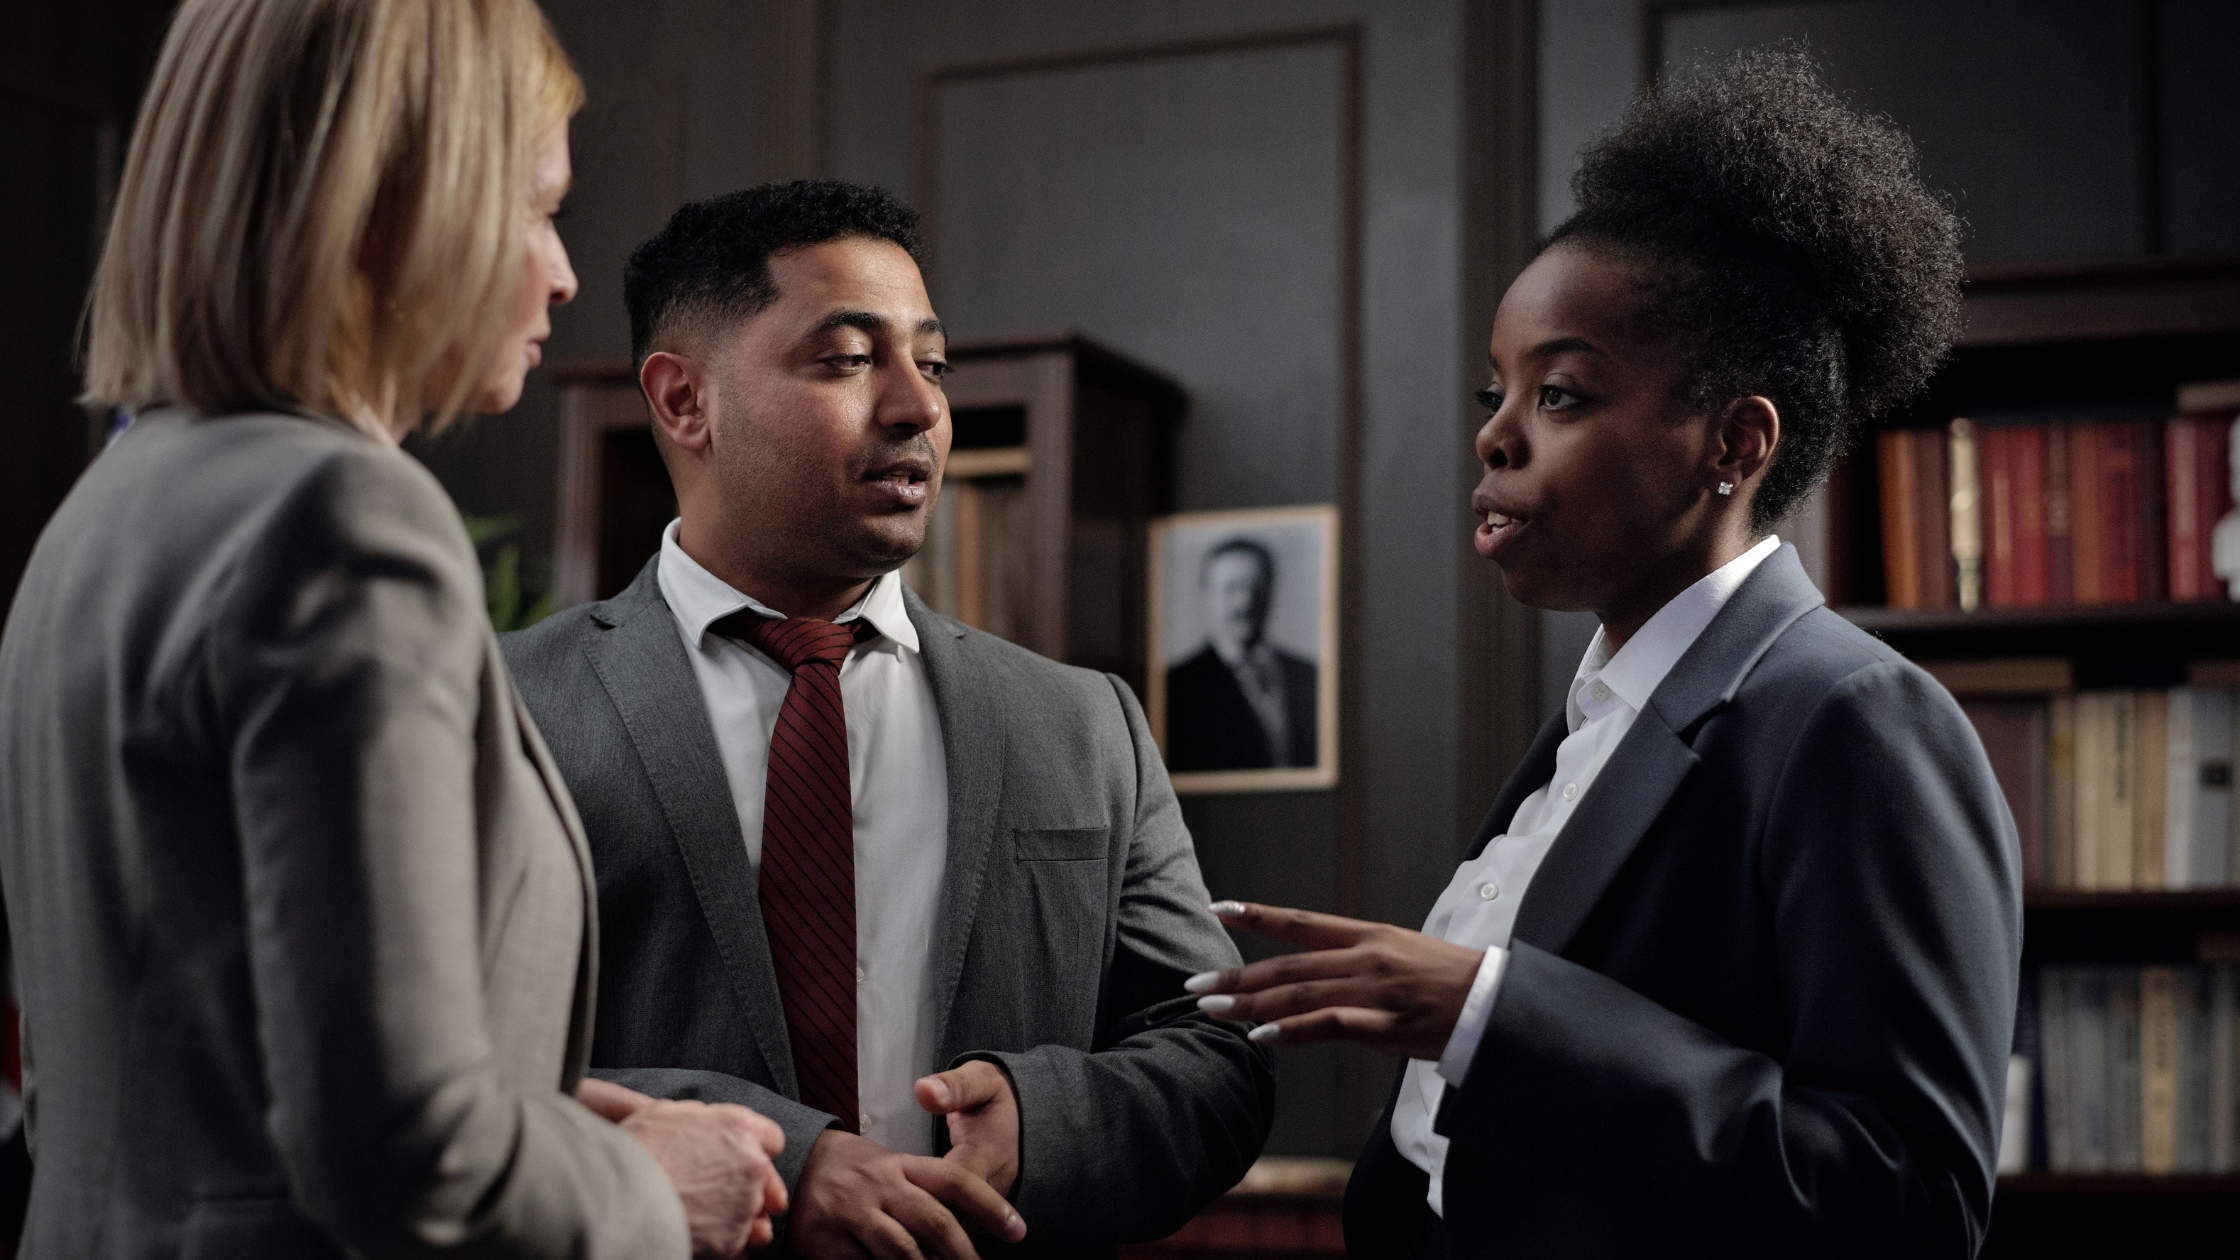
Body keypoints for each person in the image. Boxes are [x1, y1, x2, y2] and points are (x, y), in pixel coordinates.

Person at [1184, 47, 2020, 1258]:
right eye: (1493, 393)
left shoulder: (1854, 721)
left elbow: (1909, 1199)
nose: (1495, 441)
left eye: (1561, 395)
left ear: (1731, 442)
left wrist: (1486, 1013)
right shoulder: (1597, 717)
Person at [0, 2, 790, 1256]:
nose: (565, 272)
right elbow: (402, 1158)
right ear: (396, 203)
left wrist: (532, 1107)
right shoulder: (343, 520)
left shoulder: (109, 511)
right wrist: (648, 1191)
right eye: (540, 209)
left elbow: (191, 1057)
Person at [500, 179, 1275, 1259]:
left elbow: (1211, 1056)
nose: (917, 407)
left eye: (932, 363)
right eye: (848, 359)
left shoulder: (1080, 723)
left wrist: (1036, 1122)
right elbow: (426, 1063)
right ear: (684, 402)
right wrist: (785, 1158)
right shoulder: (499, 706)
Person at [1164, 537, 1319, 771]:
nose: (1245, 602)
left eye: (1255, 587)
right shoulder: (1176, 688)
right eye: (1231, 589)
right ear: (1206, 595)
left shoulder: (1310, 676)